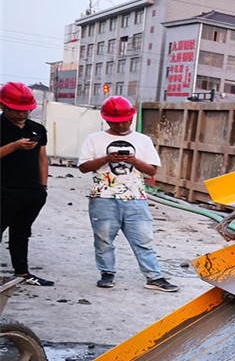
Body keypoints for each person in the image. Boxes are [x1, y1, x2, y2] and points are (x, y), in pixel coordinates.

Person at [78, 96, 178, 292]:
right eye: (116, 122)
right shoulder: (94, 139)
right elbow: (83, 167)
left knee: (144, 239)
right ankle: (107, 274)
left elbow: (152, 171)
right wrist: (106, 159)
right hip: (103, 197)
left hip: (135, 198)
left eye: (125, 120)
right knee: (104, 238)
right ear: (106, 119)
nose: (122, 125)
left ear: (132, 117)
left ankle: (154, 277)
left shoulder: (142, 140)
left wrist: (134, 161)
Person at [0, 81, 54, 286]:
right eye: (17, 110)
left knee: (21, 233)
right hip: (4, 188)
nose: (22, 114)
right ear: (3, 106)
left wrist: (43, 187)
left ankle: (22, 273)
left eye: (26, 110)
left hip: (32, 191)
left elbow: (42, 158)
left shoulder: (37, 129)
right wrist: (14, 146)